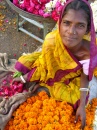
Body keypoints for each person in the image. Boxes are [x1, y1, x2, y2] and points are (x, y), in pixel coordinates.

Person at [12, 0, 97, 129]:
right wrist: (25, 78)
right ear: (59, 23)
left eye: (80, 25)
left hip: (70, 78)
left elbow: (85, 75)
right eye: (67, 23)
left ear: (87, 29)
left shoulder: (88, 52)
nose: (71, 31)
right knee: (29, 61)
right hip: (48, 68)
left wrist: (81, 106)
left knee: (76, 99)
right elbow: (44, 65)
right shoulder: (52, 41)